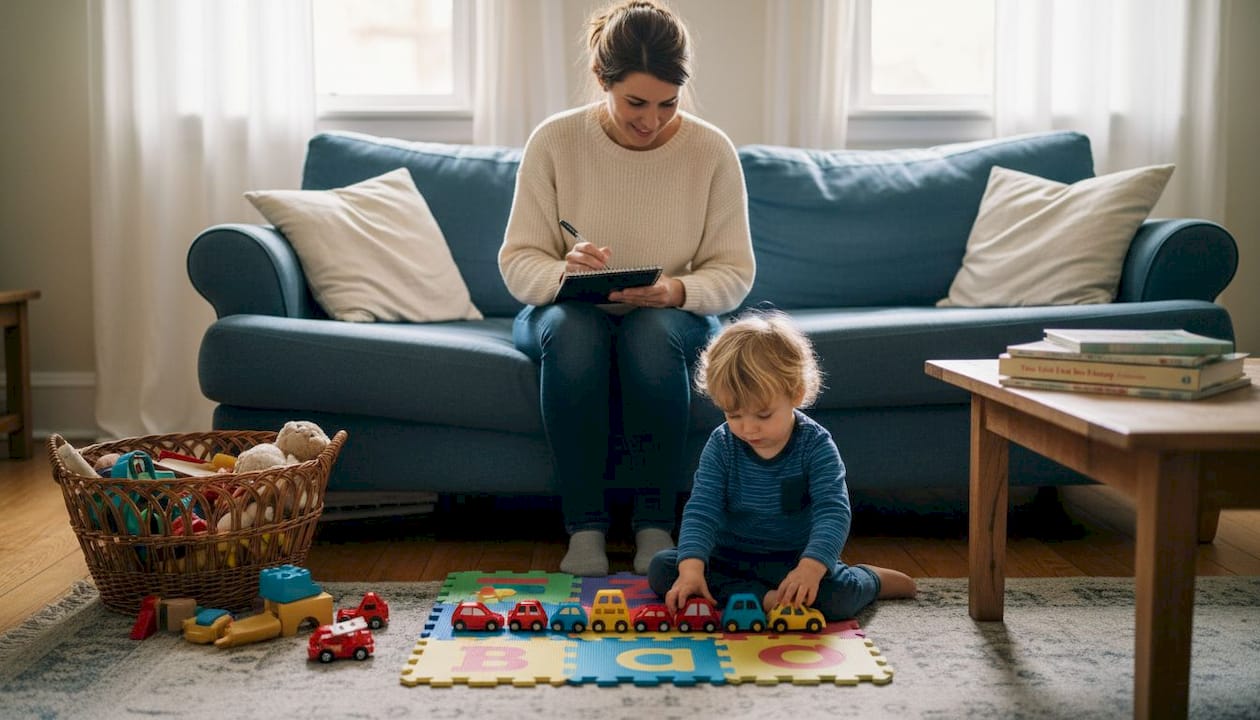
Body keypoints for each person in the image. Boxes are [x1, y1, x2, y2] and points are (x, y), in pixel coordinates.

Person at [498, 0, 755, 577]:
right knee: (573, 331)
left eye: (668, 103)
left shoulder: (711, 151)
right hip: (565, 311)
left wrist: (676, 291)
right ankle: (584, 528)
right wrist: (566, 271)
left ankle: (654, 525)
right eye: (635, 102)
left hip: (669, 317)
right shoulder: (556, 140)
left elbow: (734, 272)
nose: (652, 120)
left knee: (651, 332)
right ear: (602, 80)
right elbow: (517, 263)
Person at [648, 310, 917, 620]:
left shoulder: (815, 444)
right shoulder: (722, 444)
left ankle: (870, 579)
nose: (748, 429)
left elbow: (833, 511)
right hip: (729, 556)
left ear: (796, 394)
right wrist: (692, 569)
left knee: (835, 599)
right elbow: (702, 508)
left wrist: (811, 568)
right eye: (733, 415)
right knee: (663, 570)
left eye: (762, 416)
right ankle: (765, 599)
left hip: (794, 560)